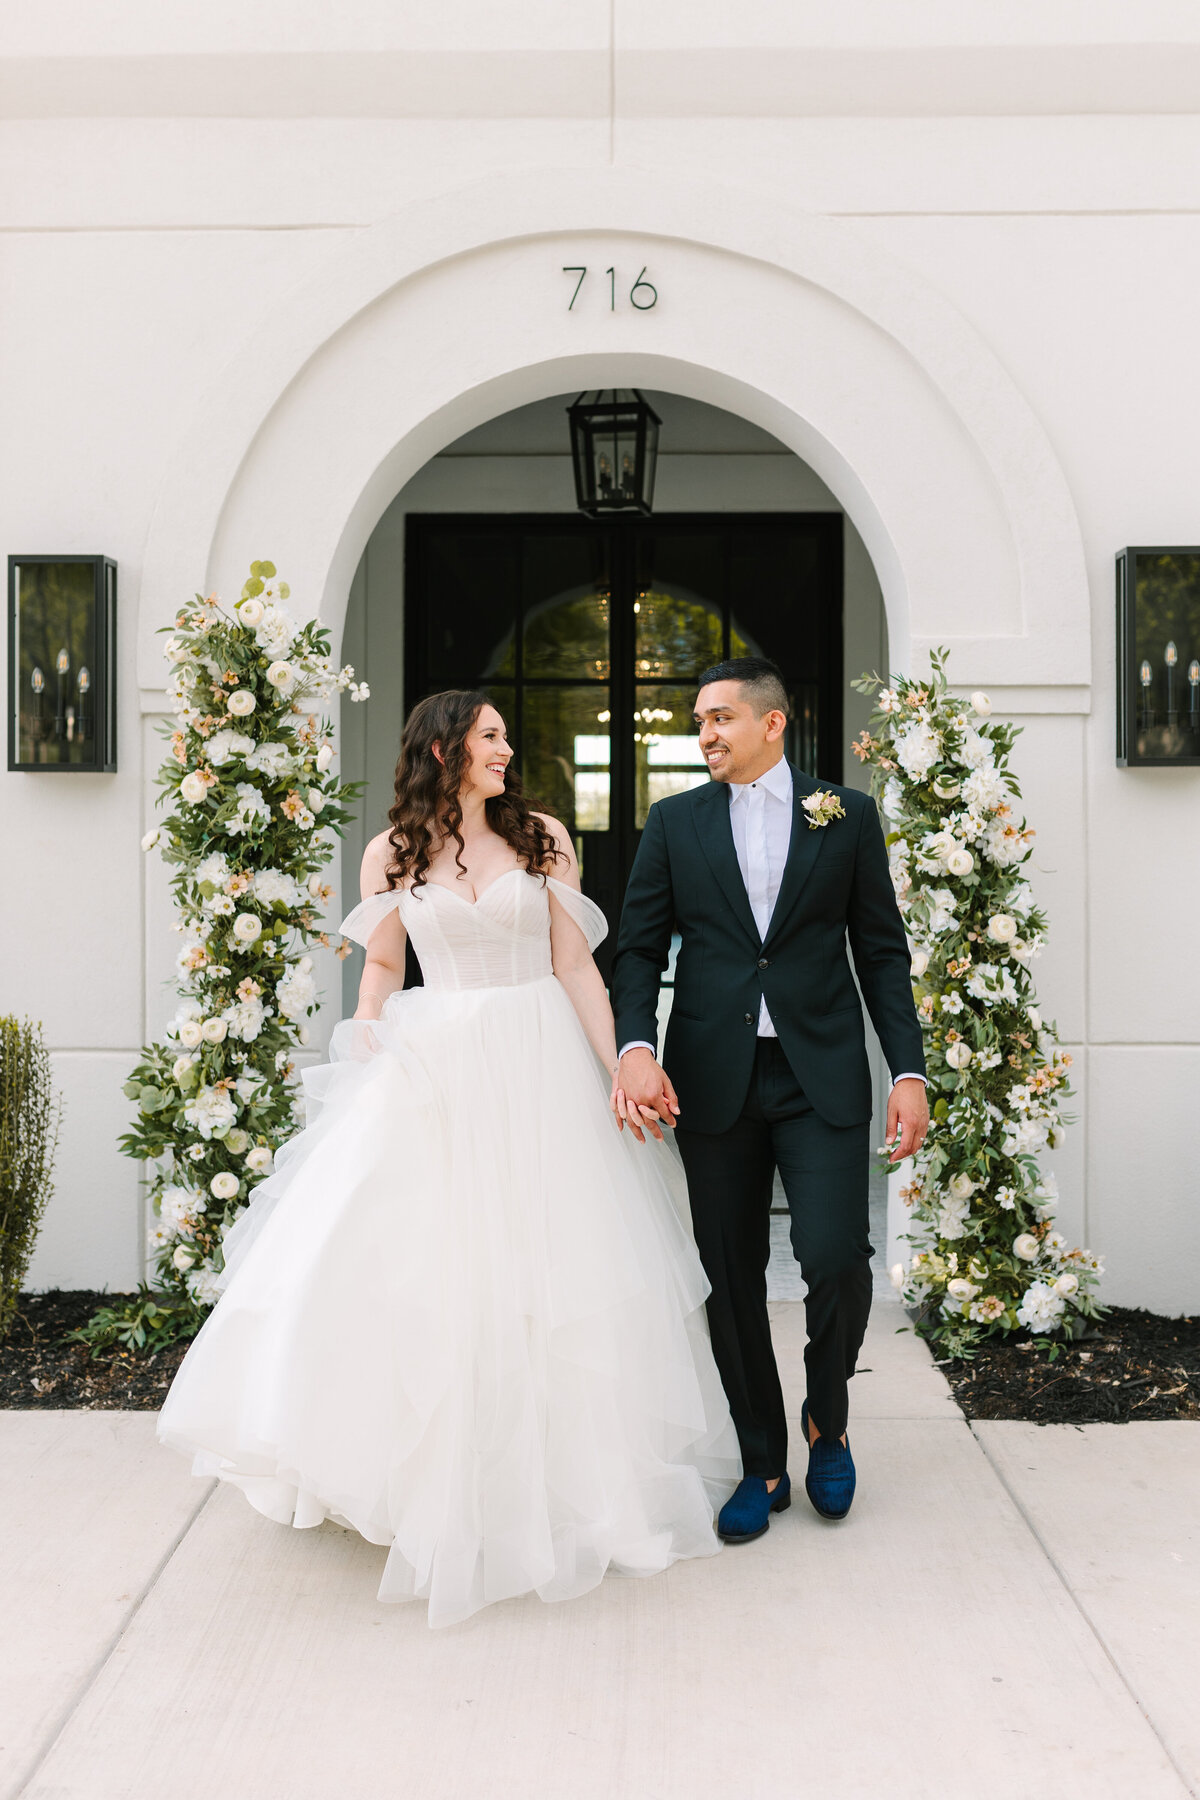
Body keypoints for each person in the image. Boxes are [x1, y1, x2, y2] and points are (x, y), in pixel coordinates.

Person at [157, 689, 740, 1628]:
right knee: (434, 1268)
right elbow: (383, 964)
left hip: (541, 1059)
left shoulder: (545, 836)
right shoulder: (390, 853)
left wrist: (624, 1066)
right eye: (492, 736)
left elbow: (577, 966)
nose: (509, 749)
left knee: (556, 1271)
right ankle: (437, 1481)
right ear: (444, 747)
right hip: (437, 1063)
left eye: (508, 735)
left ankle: (565, 1485)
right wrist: (364, 1034)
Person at [610, 657, 927, 1544]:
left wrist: (908, 1070)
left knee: (836, 1258)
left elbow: (882, 952)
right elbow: (636, 950)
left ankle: (827, 1422)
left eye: (719, 718)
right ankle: (762, 1458)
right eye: (699, 721)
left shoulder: (847, 815)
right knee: (730, 1275)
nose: (704, 734)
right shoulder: (674, 823)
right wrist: (636, 1048)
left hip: (818, 1072)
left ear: (772, 723)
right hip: (709, 1081)